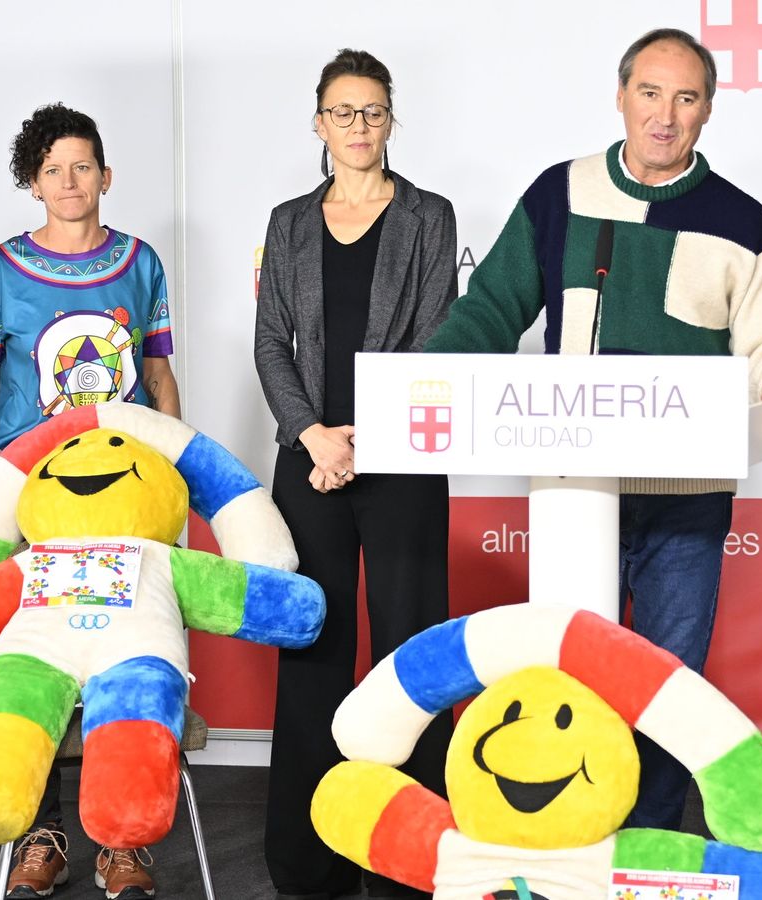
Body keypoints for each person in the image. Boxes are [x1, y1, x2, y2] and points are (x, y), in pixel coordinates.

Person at [423, 27, 762, 830]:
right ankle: (570, 843)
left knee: (667, 685)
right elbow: (491, 310)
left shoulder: (742, 220)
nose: (664, 116)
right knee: (570, 679)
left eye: (685, 98)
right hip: (576, 491)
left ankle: (647, 851)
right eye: (649, 93)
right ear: (620, 96)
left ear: (709, 108)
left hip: (686, 497)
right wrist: (423, 383)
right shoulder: (558, 193)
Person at [0, 102, 178, 900]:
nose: (70, 181)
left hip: (122, 498)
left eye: (83, 165)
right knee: (39, 658)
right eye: (52, 169)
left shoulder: (140, 262)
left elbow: (156, 375)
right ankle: (43, 833)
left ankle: (123, 844)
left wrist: (173, 461)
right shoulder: (2, 267)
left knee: (122, 658)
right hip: (30, 496)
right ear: (32, 183)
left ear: (107, 176)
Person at [254, 48, 458, 900]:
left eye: (373, 111)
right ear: (318, 122)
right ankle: (308, 861)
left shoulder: (430, 216)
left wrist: (361, 440)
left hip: (401, 458)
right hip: (309, 461)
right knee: (314, 651)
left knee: (412, 654)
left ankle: (416, 856)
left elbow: (438, 336)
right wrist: (312, 435)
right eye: (344, 111)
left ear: (390, 120)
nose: (359, 126)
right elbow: (270, 343)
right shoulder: (288, 221)